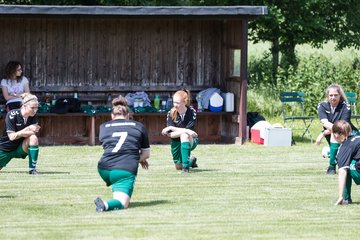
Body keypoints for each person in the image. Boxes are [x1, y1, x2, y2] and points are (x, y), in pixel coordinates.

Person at [95, 95, 150, 212]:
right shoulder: (139, 126)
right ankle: (105, 205)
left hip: (104, 168)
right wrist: (137, 158)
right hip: (124, 169)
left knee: (117, 182)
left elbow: (110, 146)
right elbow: (146, 154)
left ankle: (115, 192)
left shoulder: (103, 127)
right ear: (128, 115)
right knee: (122, 203)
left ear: (112, 115)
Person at [317, 84, 358, 175]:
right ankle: (332, 164)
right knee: (334, 134)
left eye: (336, 95)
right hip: (334, 133)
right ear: (327, 96)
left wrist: (324, 133)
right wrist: (327, 131)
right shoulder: (322, 106)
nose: (333, 97)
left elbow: (342, 126)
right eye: (331, 95)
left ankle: (331, 162)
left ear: (340, 95)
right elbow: (324, 122)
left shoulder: (346, 106)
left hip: (350, 133)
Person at [0, 93, 40, 175]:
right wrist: (27, 128)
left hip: (20, 148)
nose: (35, 110)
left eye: (36, 108)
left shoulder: (33, 116)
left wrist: (22, 133)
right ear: (24, 106)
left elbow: (32, 132)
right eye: (32, 108)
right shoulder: (12, 114)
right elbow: (11, 137)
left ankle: (32, 170)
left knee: (33, 138)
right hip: (5, 149)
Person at [161, 89, 198, 173]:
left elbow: (190, 133)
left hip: (191, 140)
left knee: (184, 135)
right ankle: (191, 161)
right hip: (175, 140)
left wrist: (172, 128)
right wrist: (184, 131)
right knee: (178, 167)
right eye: (174, 102)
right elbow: (170, 135)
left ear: (184, 102)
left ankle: (185, 168)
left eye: (177, 103)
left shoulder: (191, 111)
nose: (175, 105)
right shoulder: (171, 113)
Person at [332, 120, 360, 205]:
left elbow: (342, 171)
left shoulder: (345, 146)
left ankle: (346, 198)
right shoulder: (358, 137)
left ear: (336, 134)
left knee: (345, 167)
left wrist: (340, 196)